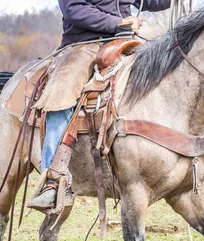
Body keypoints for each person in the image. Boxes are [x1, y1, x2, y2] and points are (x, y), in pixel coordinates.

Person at [27, 0, 172, 211]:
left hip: (126, 43)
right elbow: (74, 8)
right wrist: (118, 22)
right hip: (84, 44)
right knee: (63, 92)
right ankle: (54, 179)